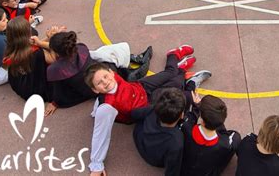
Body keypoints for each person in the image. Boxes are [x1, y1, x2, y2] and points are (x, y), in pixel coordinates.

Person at [83, 44, 210, 175]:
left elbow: (109, 53)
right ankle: (183, 75)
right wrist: (96, 164)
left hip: (141, 87)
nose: (105, 82)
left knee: (170, 74)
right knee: (178, 89)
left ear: (110, 72)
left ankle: (175, 57)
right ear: (95, 89)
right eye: (99, 83)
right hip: (144, 107)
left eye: (105, 76)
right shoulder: (107, 107)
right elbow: (100, 134)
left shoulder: (112, 75)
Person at [3, 17, 65, 115]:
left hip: (22, 85)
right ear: (28, 32)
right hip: (37, 89)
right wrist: (54, 39)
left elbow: (35, 44)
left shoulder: (11, 48)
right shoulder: (36, 53)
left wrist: (47, 38)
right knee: (64, 66)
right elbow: (53, 59)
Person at [180, 94, 240, 176]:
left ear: (201, 118)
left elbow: (190, 117)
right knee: (234, 138)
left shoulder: (186, 126)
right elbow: (235, 136)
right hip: (207, 172)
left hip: (183, 170)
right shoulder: (225, 144)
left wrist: (197, 107)